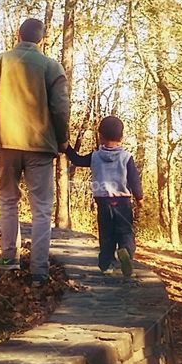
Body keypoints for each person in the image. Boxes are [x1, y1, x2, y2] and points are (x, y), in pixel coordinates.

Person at [0, 18, 70, 284]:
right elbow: (61, 107)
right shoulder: (52, 67)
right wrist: (62, 140)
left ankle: (10, 258)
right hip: (41, 147)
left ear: (18, 35)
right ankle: (39, 270)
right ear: (42, 38)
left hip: (5, 143)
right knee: (41, 208)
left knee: (8, 200)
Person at [65, 116, 143, 277]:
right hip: (122, 202)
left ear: (100, 136)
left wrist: (67, 148)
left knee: (106, 234)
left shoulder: (95, 156)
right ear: (121, 137)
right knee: (125, 232)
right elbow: (134, 180)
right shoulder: (126, 158)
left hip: (103, 202)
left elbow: (77, 160)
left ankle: (106, 265)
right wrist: (139, 198)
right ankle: (126, 252)